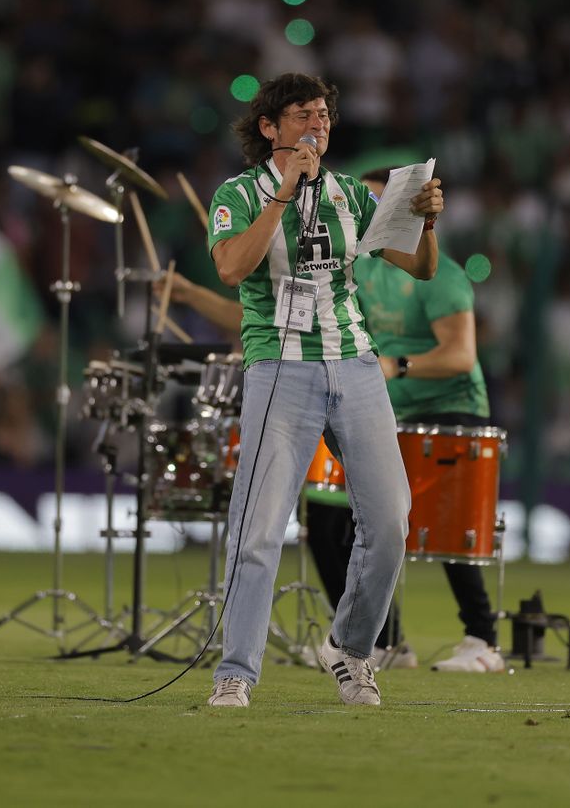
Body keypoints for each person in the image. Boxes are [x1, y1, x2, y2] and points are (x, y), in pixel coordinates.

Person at [165, 167, 503, 673]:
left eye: (371, 205)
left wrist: (397, 365)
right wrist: (191, 296)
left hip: (442, 406)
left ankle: (480, 635)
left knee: (434, 522)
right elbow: (266, 306)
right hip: (357, 393)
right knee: (323, 517)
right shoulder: (352, 269)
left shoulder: (442, 275)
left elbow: (459, 353)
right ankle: (381, 641)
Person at [201, 72, 443, 709]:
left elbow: (419, 268)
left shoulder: (349, 195)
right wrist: (283, 192)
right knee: (258, 528)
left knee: (391, 520)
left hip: (356, 363)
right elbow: (231, 268)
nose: (318, 125)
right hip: (279, 364)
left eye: (324, 115)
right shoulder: (240, 192)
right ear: (269, 128)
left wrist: (428, 222)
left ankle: (351, 650)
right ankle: (236, 672)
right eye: (303, 114)